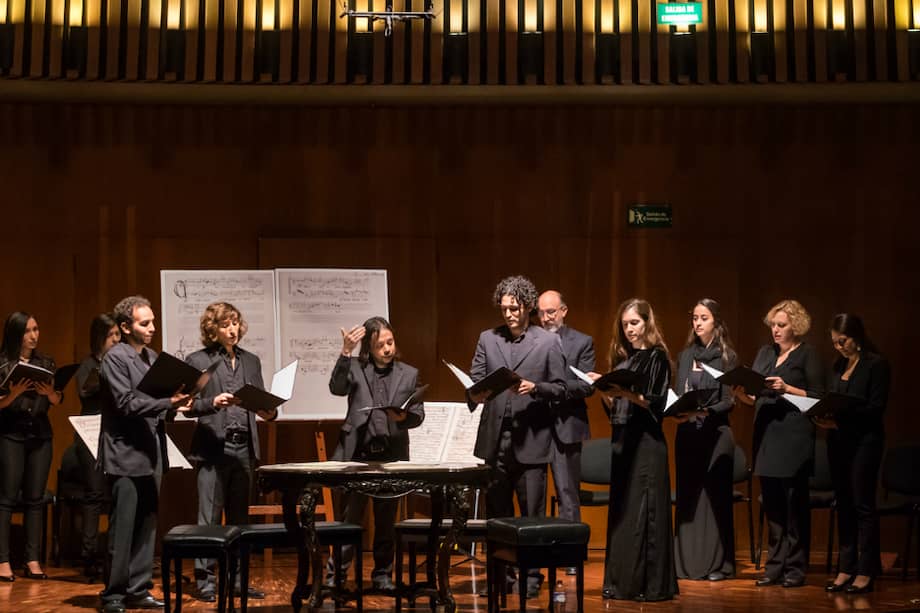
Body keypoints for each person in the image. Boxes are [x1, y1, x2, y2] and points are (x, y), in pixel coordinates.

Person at [468, 276, 566, 598]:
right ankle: (500, 577)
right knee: (497, 515)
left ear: (527, 306)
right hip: (496, 439)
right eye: (505, 308)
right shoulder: (488, 338)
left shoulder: (548, 342)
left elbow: (562, 388)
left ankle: (532, 579)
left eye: (515, 308)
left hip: (532, 440)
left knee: (531, 513)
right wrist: (477, 392)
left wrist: (535, 387)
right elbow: (476, 379)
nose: (509, 314)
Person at [98, 296, 192, 613]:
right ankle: (113, 594)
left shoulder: (151, 357)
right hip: (124, 454)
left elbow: (158, 405)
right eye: (144, 323)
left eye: (152, 321)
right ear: (125, 327)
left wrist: (180, 404)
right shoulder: (115, 358)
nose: (152, 328)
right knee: (123, 528)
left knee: (148, 524)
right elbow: (126, 403)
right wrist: (169, 403)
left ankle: (139, 589)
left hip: (151, 453)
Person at [185, 302, 279, 602]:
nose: (233, 329)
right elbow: (187, 407)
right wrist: (212, 403)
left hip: (243, 447)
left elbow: (261, 403)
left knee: (240, 519)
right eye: (226, 324)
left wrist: (271, 412)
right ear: (213, 328)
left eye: (236, 323)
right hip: (213, 445)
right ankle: (205, 580)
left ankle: (238, 579)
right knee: (208, 517)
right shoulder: (197, 359)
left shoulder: (251, 361)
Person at [326, 316, 424, 590]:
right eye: (380, 345)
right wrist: (345, 352)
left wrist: (402, 417)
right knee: (349, 520)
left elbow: (418, 415)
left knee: (385, 521)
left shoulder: (409, 373)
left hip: (390, 456)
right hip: (357, 455)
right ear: (369, 347)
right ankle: (336, 577)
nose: (387, 349)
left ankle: (382, 576)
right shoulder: (356, 367)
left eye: (390, 342)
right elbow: (337, 388)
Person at [734, 299, 824, 589]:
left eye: (782, 325)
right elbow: (755, 395)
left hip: (794, 436)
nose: (775, 330)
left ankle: (796, 566)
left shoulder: (807, 354)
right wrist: (740, 394)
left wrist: (787, 388)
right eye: (773, 325)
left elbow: (817, 396)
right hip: (767, 437)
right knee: (772, 505)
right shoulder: (765, 353)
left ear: (796, 327)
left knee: (794, 506)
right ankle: (775, 566)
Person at [593, 298, 677, 601]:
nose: (629, 329)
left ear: (646, 323)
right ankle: (620, 583)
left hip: (646, 442)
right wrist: (605, 391)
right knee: (624, 512)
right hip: (623, 440)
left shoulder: (657, 357)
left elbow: (655, 402)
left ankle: (647, 585)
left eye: (635, 323)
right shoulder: (623, 359)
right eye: (625, 324)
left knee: (645, 512)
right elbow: (616, 408)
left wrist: (625, 392)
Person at [820, 314, 890, 594]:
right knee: (844, 505)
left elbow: (875, 409)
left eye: (843, 340)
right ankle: (845, 568)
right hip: (838, 442)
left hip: (865, 442)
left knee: (863, 506)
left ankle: (866, 570)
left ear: (856, 336)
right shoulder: (838, 364)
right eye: (835, 342)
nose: (839, 347)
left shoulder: (877, 364)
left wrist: (840, 421)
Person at [672, 299, 737, 581]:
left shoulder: (726, 357)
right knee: (688, 497)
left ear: (717, 323)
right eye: (695, 317)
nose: (697, 323)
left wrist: (705, 410)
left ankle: (719, 565)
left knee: (715, 500)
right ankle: (686, 564)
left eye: (704, 318)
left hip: (716, 434)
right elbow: (678, 393)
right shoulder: (685, 355)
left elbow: (728, 401)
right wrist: (677, 411)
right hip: (687, 434)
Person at [0, 312, 62, 581]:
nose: (34, 335)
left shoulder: (46, 362)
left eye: (36, 329)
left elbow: (57, 400)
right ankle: (2, 561)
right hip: (10, 434)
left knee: (35, 499)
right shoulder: (2, 363)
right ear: (16, 334)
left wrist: (48, 394)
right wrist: (13, 393)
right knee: (6, 498)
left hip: (40, 435)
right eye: (28, 331)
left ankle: (33, 559)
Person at [537, 291, 594, 548]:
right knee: (533, 495)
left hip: (566, 425)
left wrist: (554, 388)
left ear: (564, 311)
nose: (546, 318)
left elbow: (586, 386)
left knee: (568, 493)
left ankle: (571, 554)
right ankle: (537, 552)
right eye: (541, 313)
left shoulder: (582, 342)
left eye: (551, 312)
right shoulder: (531, 339)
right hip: (534, 426)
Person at [71, 313, 121, 578]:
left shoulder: (122, 361)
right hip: (90, 433)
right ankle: (88, 555)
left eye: (117, 334)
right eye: (112, 335)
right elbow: (83, 392)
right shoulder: (88, 364)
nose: (116, 339)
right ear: (100, 338)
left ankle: (113, 554)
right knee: (93, 494)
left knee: (116, 494)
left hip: (115, 434)